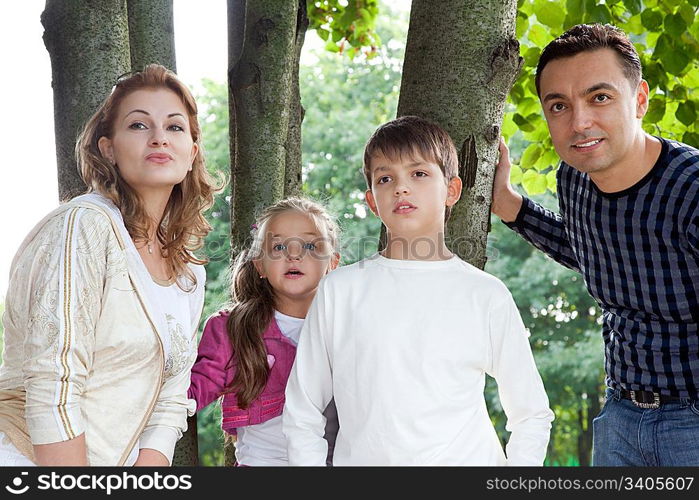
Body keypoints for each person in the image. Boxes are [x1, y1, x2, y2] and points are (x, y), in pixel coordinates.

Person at [283, 115, 554, 466]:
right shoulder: (339, 291)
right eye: (385, 178)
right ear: (372, 200)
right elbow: (302, 412)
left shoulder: (485, 295)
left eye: (419, 174)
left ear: (452, 191)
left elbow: (531, 413)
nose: (401, 188)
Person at [492, 24, 699, 466]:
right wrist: (511, 206)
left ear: (639, 99)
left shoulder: (692, 191)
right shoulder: (574, 179)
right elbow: (589, 249)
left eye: (599, 97)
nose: (579, 122)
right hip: (619, 418)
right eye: (559, 106)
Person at [0, 64, 218, 466]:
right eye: (138, 125)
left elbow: (170, 399)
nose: (158, 138)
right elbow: (55, 379)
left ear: (192, 153)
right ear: (108, 148)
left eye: (174, 128)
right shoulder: (84, 226)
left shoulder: (189, 275)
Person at [188, 197, 341, 466]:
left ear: (333, 263)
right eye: (279, 246)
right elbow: (192, 392)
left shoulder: (348, 329)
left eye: (309, 245)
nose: (294, 254)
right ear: (259, 265)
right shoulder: (233, 329)